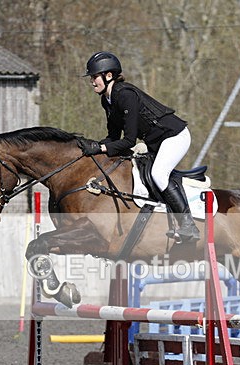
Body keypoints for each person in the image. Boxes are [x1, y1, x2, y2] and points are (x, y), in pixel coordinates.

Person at [80, 51, 200, 242]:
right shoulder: (107, 100)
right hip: (156, 141)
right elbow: (113, 137)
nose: (92, 81)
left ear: (108, 76)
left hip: (174, 136)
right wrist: (92, 146)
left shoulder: (125, 94)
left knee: (158, 174)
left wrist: (101, 149)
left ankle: (189, 225)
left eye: (94, 77)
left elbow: (128, 141)